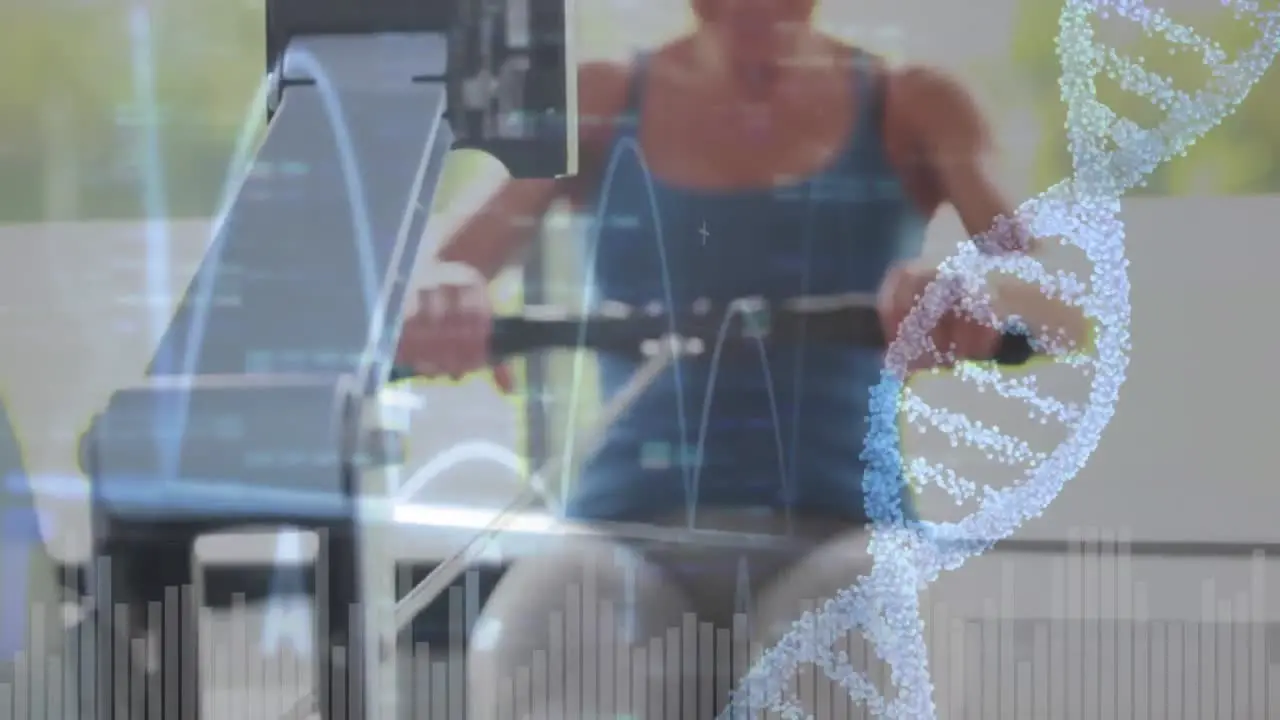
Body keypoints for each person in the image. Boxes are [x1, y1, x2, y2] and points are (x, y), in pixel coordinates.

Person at [396, 0, 1090, 716]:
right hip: (623, 529)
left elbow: (1063, 301)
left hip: (843, 529)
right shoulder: (599, 100)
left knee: (857, 647)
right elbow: (426, 283)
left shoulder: (911, 103)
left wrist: (973, 287)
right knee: (545, 635)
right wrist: (445, 293)